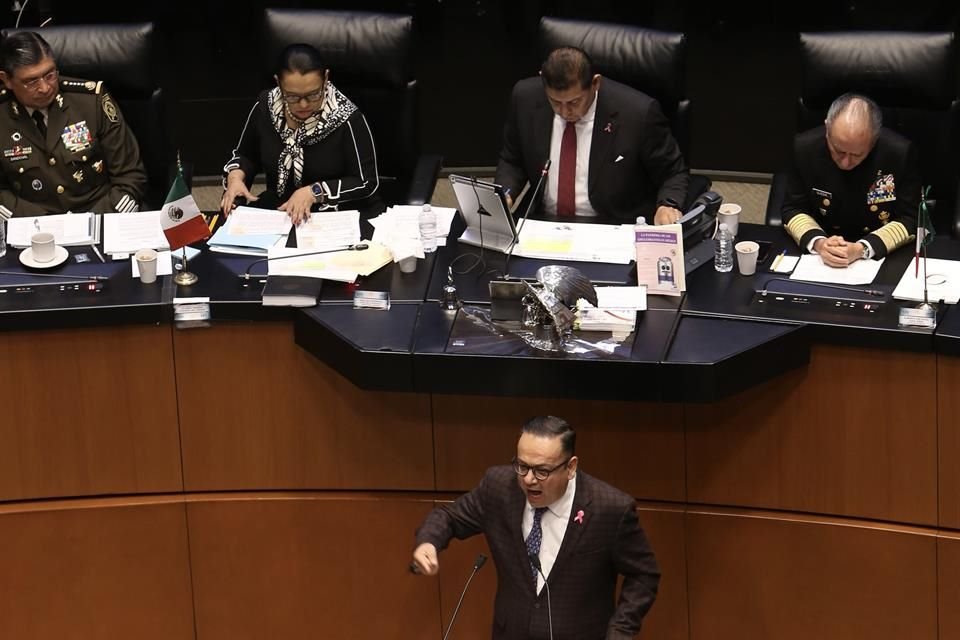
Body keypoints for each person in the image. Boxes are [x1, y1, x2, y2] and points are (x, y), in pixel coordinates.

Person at [412, 415, 659, 640]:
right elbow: (449, 517)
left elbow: (644, 575)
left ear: (570, 467)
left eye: (542, 471)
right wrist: (429, 542)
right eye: (522, 466)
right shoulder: (500, 488)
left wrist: (620, 631)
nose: (529, 479)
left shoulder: (610, 508)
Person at [495, 46, 689, 225]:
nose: (564, 112)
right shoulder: (525, 97)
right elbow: (513, 158)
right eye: (555, 102)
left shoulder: (637, 113)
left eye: (573, 102)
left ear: (595, 83)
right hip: (544, 224)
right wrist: (505, 193)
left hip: (612, 225)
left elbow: (673, 172)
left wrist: (668, 204)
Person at [221, 43, 382, 224]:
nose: (303, 105)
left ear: (326, 78)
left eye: (313, 95)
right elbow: (246, 155)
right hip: (282, 212)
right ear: (278, 83)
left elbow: (365, 182)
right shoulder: (265, 107)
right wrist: (235, 178)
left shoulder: (347, 119)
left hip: (336, 214)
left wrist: (314, 192)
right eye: (292, 96)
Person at [0, 31, 146, 218]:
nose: (45, 88)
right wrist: (37, 226)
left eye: (49, 74)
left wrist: (95, 223)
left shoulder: (92, 101)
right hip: (32, 228)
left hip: (99, 216)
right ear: (6, 80)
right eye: (31, 81)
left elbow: (130, 177)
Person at [781, 93, 920, 266]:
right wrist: (819, 243)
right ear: (827, 129)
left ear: (875, 140)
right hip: (822, 251)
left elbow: (910, 218)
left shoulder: (898, 153)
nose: (846, 162)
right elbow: (793, 208)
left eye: (857, 154)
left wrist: (863, 248)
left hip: (878, 255)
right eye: (838, 150)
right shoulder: (804, 148)